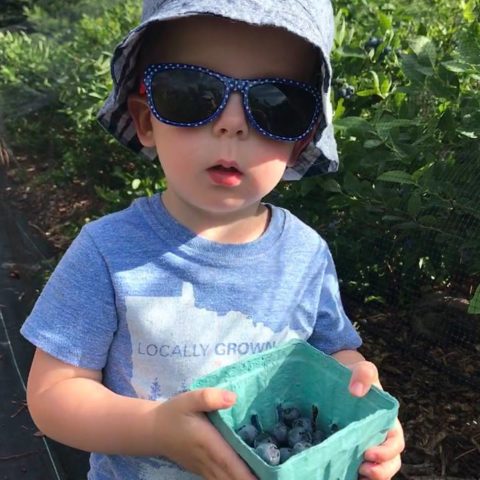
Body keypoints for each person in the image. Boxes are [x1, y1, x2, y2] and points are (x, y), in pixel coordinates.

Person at [21, 1, 405, 479]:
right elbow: (54, 393)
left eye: (276, 104)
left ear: (300, 143)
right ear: (145, 120)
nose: (232, 123)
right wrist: (155, 430)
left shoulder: (305, 254)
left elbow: (332, 356)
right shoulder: (107, 252)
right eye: (191, 92)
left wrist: (360, 407)